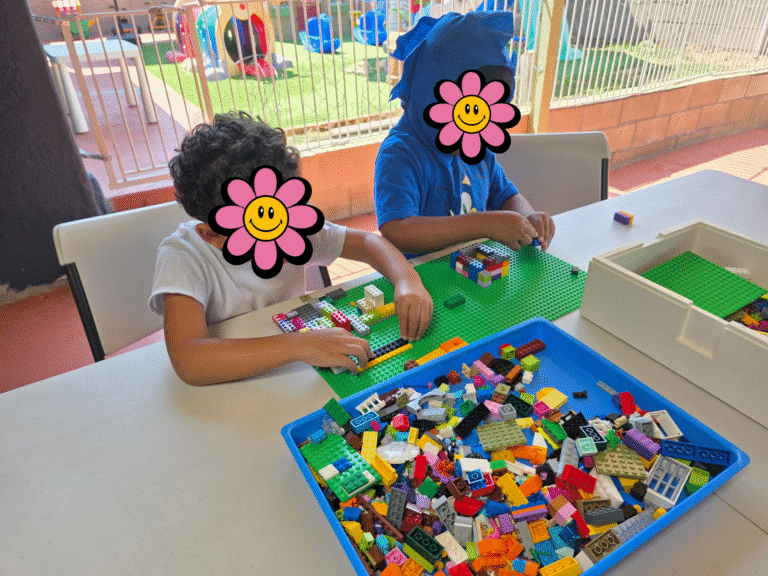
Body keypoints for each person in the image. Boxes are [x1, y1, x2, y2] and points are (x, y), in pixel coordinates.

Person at [150, 112, 433, 386]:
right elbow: (189, 359)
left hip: (294, 374)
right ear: (212, 235)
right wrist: (299, 346)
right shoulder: (184, 255)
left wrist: (407, 279)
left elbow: (370, 243)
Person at [374, 11, 556, 256]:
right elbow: (398, 229)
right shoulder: (400, 154)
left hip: (472, 276)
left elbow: (506, 195)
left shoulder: (479, 150)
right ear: (433, 95)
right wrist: (485, 224)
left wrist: (527, 217)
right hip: (421, 282)